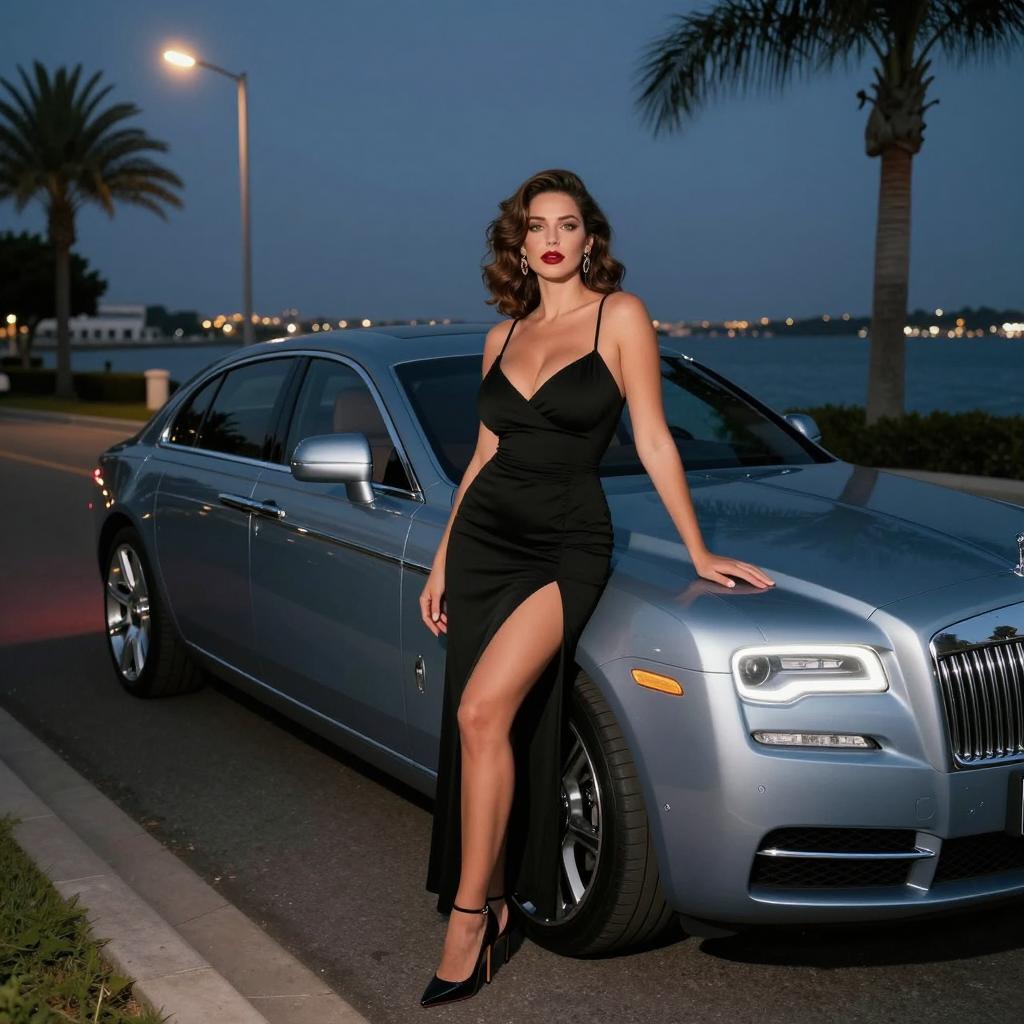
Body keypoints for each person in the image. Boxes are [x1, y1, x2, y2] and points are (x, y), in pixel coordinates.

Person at [418, 168, 774, 1007]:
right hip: (485, 543)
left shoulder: (621, 316)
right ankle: (495, 899)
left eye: (567, 224)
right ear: (518, 242)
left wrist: (697, 551)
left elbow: (652, 436)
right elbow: (482, 457)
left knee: (482, 711)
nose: (551, 238)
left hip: (566, 543)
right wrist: (441, 558)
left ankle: (469, 918)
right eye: (536, 225)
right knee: (481, 725)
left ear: (589, 238)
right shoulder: (500, 336)